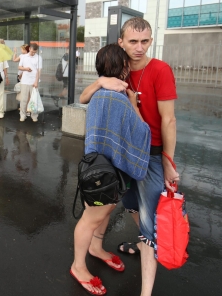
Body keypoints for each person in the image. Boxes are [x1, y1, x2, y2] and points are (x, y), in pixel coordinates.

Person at [79, 17, 179, 296]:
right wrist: (100, 81)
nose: (139, 47)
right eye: (133, 41)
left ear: (151, 41)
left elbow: (168, 120)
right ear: (121, 42)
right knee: (131, 206)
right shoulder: (118, 72)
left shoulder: (159, 70)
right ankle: (139, 242)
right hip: (122, 157)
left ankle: (145, 290)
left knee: (149, 221)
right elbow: (85, 96)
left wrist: (169, 163)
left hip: (150, 155)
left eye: (145, 41)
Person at [71, 44, 151, 296]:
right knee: (92, 217)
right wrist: (134, 105)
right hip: (109, 173)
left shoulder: (100, 92)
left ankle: (96, 249)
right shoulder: (118, 98)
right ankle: (78, 266)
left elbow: (83, 99)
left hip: (97, 169)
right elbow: (142, 132)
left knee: (102, 212)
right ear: (123, 67)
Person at [18, 43, 42, 122]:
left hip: (33, 81)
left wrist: (36, 82)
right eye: (32, 52)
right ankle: (22, 115)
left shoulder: (39, 58)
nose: (33, 53)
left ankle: (34, 115)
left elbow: (39, 70)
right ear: (29, 49)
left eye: (35, 52)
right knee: (23, 99)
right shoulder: (24, 57)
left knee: (34, 100)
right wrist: (26, 69)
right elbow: (19, 67)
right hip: (24, 81)